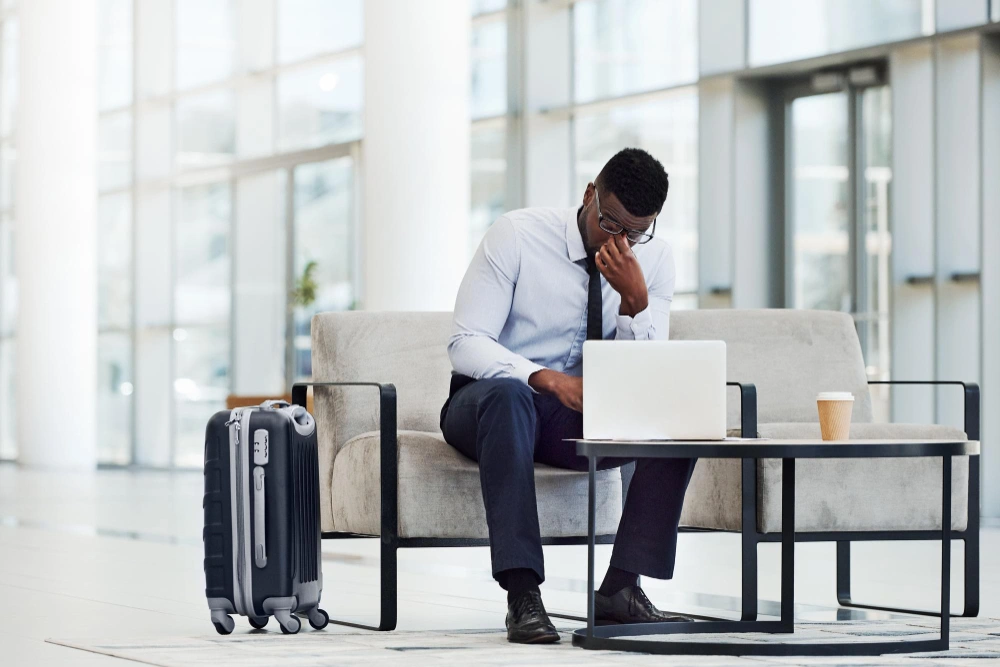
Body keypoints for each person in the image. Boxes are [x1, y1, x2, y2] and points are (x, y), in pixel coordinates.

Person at [439, 148, 697, 644]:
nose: (620, 240)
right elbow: (465, 343)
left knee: (676, 421)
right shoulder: (516, 235)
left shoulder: (655, 261)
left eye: (635, 232)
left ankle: (621, 589)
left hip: (572, 418)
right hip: (486, 407)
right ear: (588, 196)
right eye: (610, 222)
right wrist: (544, 378)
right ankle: (523, 595)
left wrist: (635, 303)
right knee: (509, 398)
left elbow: (640, 378)